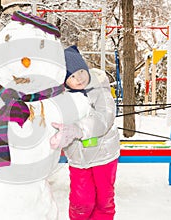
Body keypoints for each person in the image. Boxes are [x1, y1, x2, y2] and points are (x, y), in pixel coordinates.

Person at [50, 45, 120, 220]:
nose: (78, 78)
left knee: (104, 200)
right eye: (71, 76)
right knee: (82, 201)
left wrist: (78, 129)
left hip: (104, 156)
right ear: (65, 81)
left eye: (80, 71)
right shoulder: (63, 99)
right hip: (79, 159)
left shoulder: (101, 91)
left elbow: (104, 118)